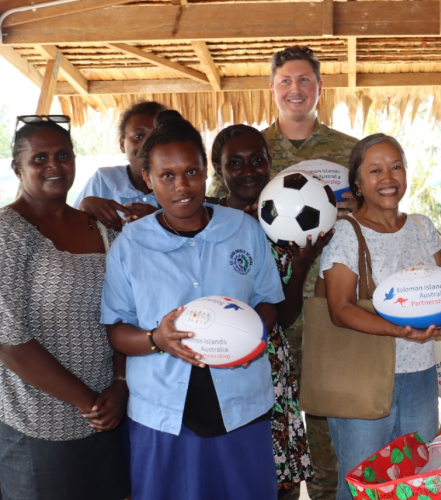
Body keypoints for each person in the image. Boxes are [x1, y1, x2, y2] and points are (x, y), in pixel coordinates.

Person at [101, 111, 284, 500]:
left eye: (191, 172)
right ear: (148, 180)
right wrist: (156, 339)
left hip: (242, 405)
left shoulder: (244, 229)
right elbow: (116, 329)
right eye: (167, 176)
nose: (181, 185)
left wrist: (249, 337)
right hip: (162, 414)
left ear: (206, 171)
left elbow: (269, 300)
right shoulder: (129, 245)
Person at [207, 45, 358, 500]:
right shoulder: (249, 146)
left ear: (319, 87)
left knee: (328, 425)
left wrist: (360, 208)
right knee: (274, 430)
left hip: (329, 307)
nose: (296, 90)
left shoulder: (347, 150)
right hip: (268, 311)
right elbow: (213, 212)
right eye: (286, 81)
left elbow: (376, 218)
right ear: (272, 89)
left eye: (305, 80)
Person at [0, 116, 129, 500]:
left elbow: (126, 313)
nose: (54, 165)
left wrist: (120, 387)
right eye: (39, 158)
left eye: (63, 155)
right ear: (17, 168)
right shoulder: (9, 232)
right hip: (38, 425)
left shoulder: (103, 229)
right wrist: (87, 401)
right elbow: (8, 338)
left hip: (107, 416)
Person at [321, 133, 441, 500]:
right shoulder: (346, 234)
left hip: (420, 377)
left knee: (418, 479)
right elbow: (340, 308)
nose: (388, 178)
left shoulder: (424, 227)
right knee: (362, 483)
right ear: (358, 183)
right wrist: (400, 330)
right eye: (375, 170)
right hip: (362, 378)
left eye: (396, 167)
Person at [209, 124, 332, 495]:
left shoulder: (280, 221)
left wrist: (303, 263)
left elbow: (286, 315)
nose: (249, 171)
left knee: (276, 482)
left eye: (258, 160)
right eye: (236, 163)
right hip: (217, 365)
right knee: (226, 475)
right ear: (218, 169)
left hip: (269, 364)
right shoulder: (203, 218)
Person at [74, 100, 167, 231]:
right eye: (139, 136)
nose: (147, 143)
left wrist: (160, 220)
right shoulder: (104, 181)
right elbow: (71, 230)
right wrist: (84, 207)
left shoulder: (178, 184)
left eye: (156, 136)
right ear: (122, 145)